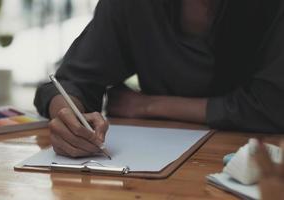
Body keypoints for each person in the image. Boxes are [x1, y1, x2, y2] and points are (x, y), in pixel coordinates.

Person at [34, 0, 284, 157]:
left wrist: (149, 105)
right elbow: (71, 82)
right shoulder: (133, 6)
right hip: (151, 169)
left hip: (254, 165)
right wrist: (68, 118)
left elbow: (271, 108)